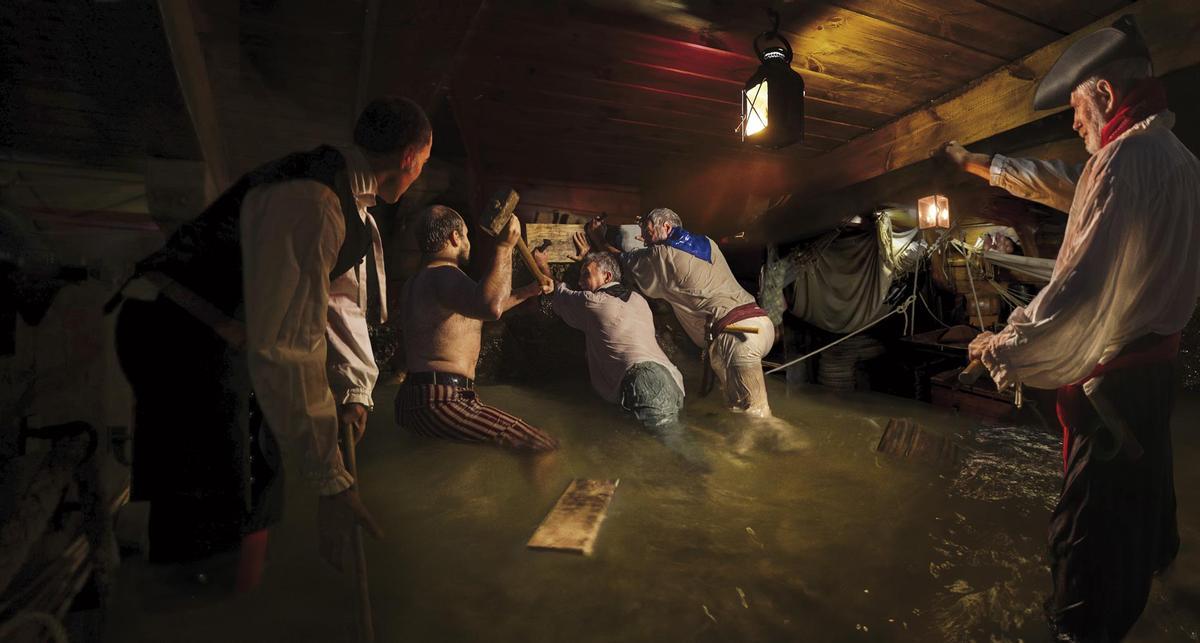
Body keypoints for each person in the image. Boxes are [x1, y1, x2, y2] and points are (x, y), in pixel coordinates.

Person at [944, 15, 1200, 642]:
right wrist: (985, 165)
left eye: (1078, 110)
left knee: (1088, 538)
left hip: (1112, 389)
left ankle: (1079, 627)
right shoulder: (1177, 159)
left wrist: (1005, 342)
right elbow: (1070, 186)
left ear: (1106, 95)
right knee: (1148, 509)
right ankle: (1163, 580)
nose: (1075, 123)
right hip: (1158, 373)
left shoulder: (1120, 161)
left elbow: (1080, 292)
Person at [115, 96, 433, 574]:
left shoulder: (350, 208)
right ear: (409, 157)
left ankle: (216, 590)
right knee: (215, 510)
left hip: (217, 341)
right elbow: (286, 345)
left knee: (251, 489)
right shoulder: (314, 200)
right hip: (180, 336)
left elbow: (340, 302)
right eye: (424, 164)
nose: (420, 175)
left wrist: (356, 390)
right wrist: (333, 481)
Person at [395, 205, 558, 451]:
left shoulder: (419, 281)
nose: (468, 242)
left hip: (414, 398)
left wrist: (528, 292)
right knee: (537, 444)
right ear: (454, 237)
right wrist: (504, 247)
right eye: (467, 235)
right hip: (442, 400)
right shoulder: (444, 274)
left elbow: (481, 308)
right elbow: (490, 307)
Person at [531, 236, 705, 466]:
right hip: (672, 380)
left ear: (607, 277)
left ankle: (708, 483)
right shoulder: (638, 299)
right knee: (667, 447)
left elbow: (557, 292)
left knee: (684, 455)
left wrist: (542, 265)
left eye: (586, 275)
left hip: (644, 383)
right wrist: (586, 260)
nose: (581, 281)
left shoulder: (592, 303)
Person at [587, 207, 775, 417]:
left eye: (647, 233)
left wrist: (600, 241)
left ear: (666, 227)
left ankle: (797, 449)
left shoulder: (662, 254)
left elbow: (624, 262)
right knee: (737, 412)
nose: (644, 239)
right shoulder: (708, 243)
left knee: (757, 418)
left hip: (736, 336)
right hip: (758, 325)